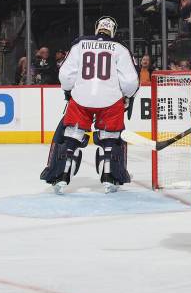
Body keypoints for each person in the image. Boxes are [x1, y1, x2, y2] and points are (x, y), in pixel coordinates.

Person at [40, 16, 139, 195]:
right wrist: (127, 96)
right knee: (110, 139)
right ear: (113, 30)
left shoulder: (80, 45)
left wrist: (69, 90)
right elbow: (131, 81)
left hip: (81, 97)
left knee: (72, 136)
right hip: (110, 99)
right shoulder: (120, 48)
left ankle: (62, 174)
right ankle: (110, 176)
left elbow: (65, 75)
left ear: (97, 28)